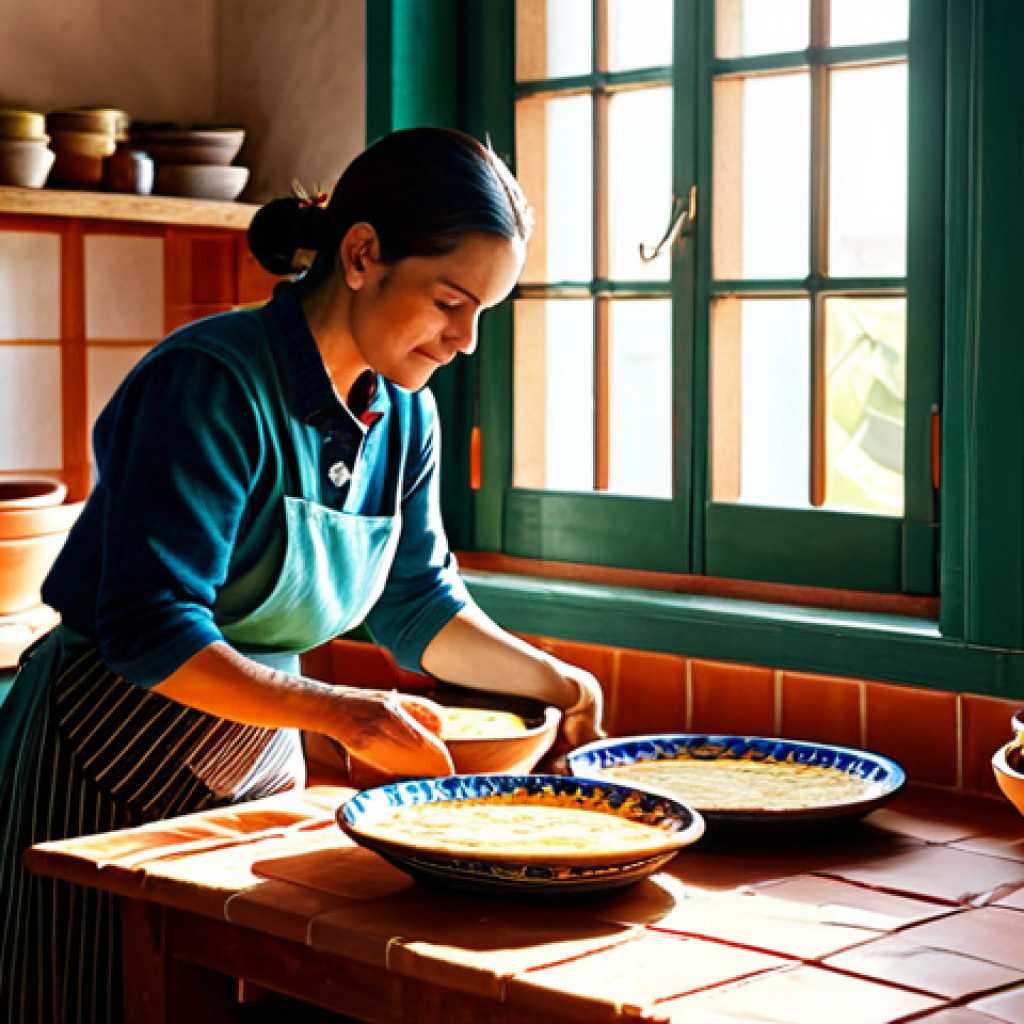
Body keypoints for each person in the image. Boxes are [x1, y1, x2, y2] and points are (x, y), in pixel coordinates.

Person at [0, 126, 604, 1024]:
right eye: (450, 301)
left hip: (258, 767)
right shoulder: (210, 382)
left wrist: (559, 682)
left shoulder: (406, 416)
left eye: (484, 311)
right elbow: (152, 628)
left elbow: (416, 604)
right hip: (99, 761)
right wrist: (344, 714)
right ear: (360, 255)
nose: (465, 340)